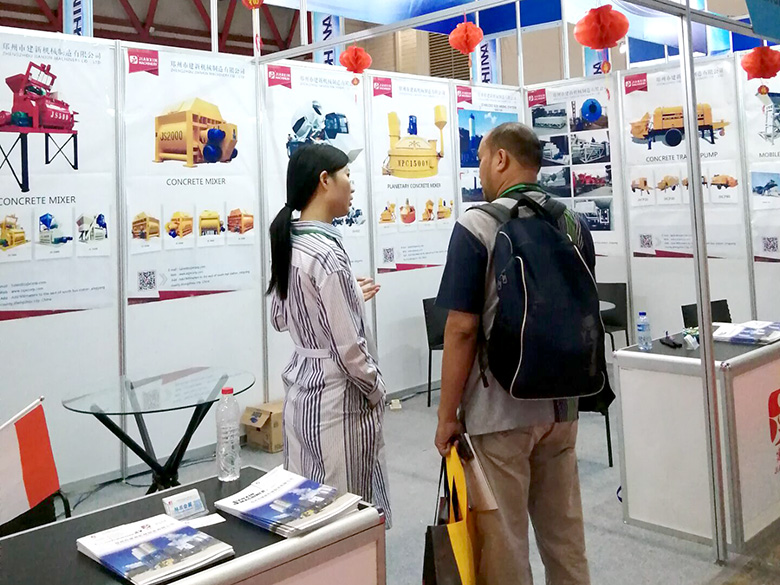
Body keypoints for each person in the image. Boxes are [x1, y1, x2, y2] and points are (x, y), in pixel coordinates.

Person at [434, 122, 593, 584]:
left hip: (499, 410)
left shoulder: (477, 225)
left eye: (483, 158)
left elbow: (462, 329)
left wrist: (447, 416)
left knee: (504, 544)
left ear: (501, 159)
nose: (481, 168)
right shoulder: (573, 222)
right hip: (563, 407)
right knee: (565, 538)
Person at [267, 143, 391, 526]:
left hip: (301, 393)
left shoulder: (291, 242)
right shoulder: (327, 254)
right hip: (338, 401)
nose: (352, 185)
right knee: (344, 515)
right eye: (347, 175)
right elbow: (350, 350)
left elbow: (279, 318)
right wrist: (377, 389)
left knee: (306, 508)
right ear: (325, 181)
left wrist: (346, 294)